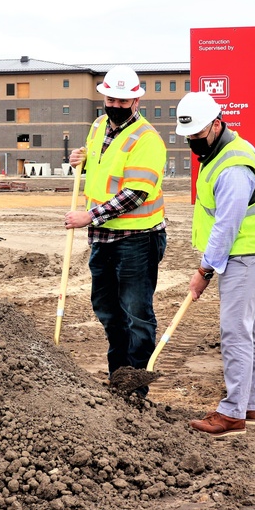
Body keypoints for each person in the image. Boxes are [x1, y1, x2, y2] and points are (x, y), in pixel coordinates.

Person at [175, 91, 255, 439]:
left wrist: (204, 271)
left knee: (235, 331)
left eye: (198, 136)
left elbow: (226, 226)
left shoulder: (233, 168)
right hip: (251, 254)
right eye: (189, 138)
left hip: (247, 257)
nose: (194, 143)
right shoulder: (224, 149)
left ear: (217, 125)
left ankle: (233, 413)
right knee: (249, 331)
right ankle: (249, 405)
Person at [63, 65, 168, 397]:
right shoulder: (97, 126)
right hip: (103, 239)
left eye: (124, 101)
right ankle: (117, 377)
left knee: (136, 313)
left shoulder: (147, 139)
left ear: (136, 101)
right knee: (107, 310)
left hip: (137, 239)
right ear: (104, 97)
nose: (117, 105)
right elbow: (101, 167)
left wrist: (88, 217)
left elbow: (135, 194)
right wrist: (81, 157)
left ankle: (135, 387)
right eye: (112, 99)